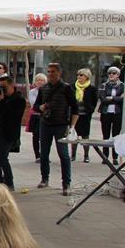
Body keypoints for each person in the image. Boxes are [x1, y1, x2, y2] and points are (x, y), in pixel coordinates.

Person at [33, 63, 78, 196]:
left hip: (61, 124)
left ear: (59, 73)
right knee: (44, 153)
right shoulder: (43, 88)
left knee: (63, 154)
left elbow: (75, 107)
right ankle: (44, 178)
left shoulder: (66, 88)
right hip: (45, 123)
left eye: (53, 71)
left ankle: (66, 183)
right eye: (48, 71)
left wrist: (72, 126)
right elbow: (35, 106)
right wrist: (40, 107)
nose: (50, 74)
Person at [0, 75, 26, 190]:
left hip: (9, 131)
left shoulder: (19, 100)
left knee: (2, 157)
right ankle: (0, 178)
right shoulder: (0, 97)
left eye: (4, 87)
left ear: (12, 85)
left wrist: (2, 100)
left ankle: (9, 182)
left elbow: (14, 116)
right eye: (0, 86)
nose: (2, 89)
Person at [98, 66, 125, 165]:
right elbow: (103, 99)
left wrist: (111, 98)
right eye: (109, 73)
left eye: (114, 73)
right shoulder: (104, 85)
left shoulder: (122, 85)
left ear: (118, 75)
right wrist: (116, 98)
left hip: (117, 113)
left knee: (116, 136)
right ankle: (105, 157)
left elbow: (123, 99)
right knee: (105, 135)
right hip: (106, 113)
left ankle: (115, 157)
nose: (111, 75)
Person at [72, 68, 98, 163]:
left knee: (85, 136)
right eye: (78, 75)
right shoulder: (73, 87)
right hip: (75, 115)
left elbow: (94, 101)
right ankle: (73, 155)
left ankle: (86, 155)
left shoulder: (91, 88)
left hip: (85, 115)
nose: (79, 76)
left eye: (81, 75)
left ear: (87, 77)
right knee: (73, 136)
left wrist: (91, 109)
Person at [27, 73, 47, 163]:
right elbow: (33, 103)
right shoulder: (32, 92)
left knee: (45, 137)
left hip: (45, 116)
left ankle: (44, 155)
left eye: (42, 80)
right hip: (35, 116)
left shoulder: (47, 91)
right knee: (36, 136)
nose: (40, 82)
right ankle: (37, 155)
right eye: (38, 80)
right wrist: (42, 106)